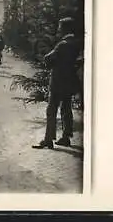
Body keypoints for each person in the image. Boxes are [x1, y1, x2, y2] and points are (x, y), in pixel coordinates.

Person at [33, 17, 80, 149]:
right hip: (69, 80)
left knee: (51, 109)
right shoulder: (75, 43)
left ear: (65, 28)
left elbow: (48, 58)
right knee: (66, 108)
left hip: (58, 81)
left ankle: (48, 139)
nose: (58, 30)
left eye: (60, 27)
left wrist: (49, 62)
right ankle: (66, 137)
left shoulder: (62, 44)